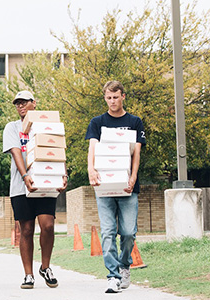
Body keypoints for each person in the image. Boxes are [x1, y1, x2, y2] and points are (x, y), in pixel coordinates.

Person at [2, 90, 68, 289]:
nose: (20, 106)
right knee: (27, 229)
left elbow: (57, 150)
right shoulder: (12, 127)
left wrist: (63, 174)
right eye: (17, 104)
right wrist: (25, 177)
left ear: (34, 103)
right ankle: (28, 274)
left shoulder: (46, 126)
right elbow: (16, 152)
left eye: (24, 102)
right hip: (20, 186)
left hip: (46, 183)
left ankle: (45, 267)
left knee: (47, 225)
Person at [85, 80, 146, 293]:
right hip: (104, 185)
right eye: (109, 98)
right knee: (108, 232)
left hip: (128, 186)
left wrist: (133, 177)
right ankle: (112, 275)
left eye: (116, 97)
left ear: (123, 96)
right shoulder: (97, 122)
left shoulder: (135, 122)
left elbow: (136, 152)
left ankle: (125, 264)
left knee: (128, 232)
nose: (112, 101)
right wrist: (91, 170)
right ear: (105, 98)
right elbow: (92, 148)